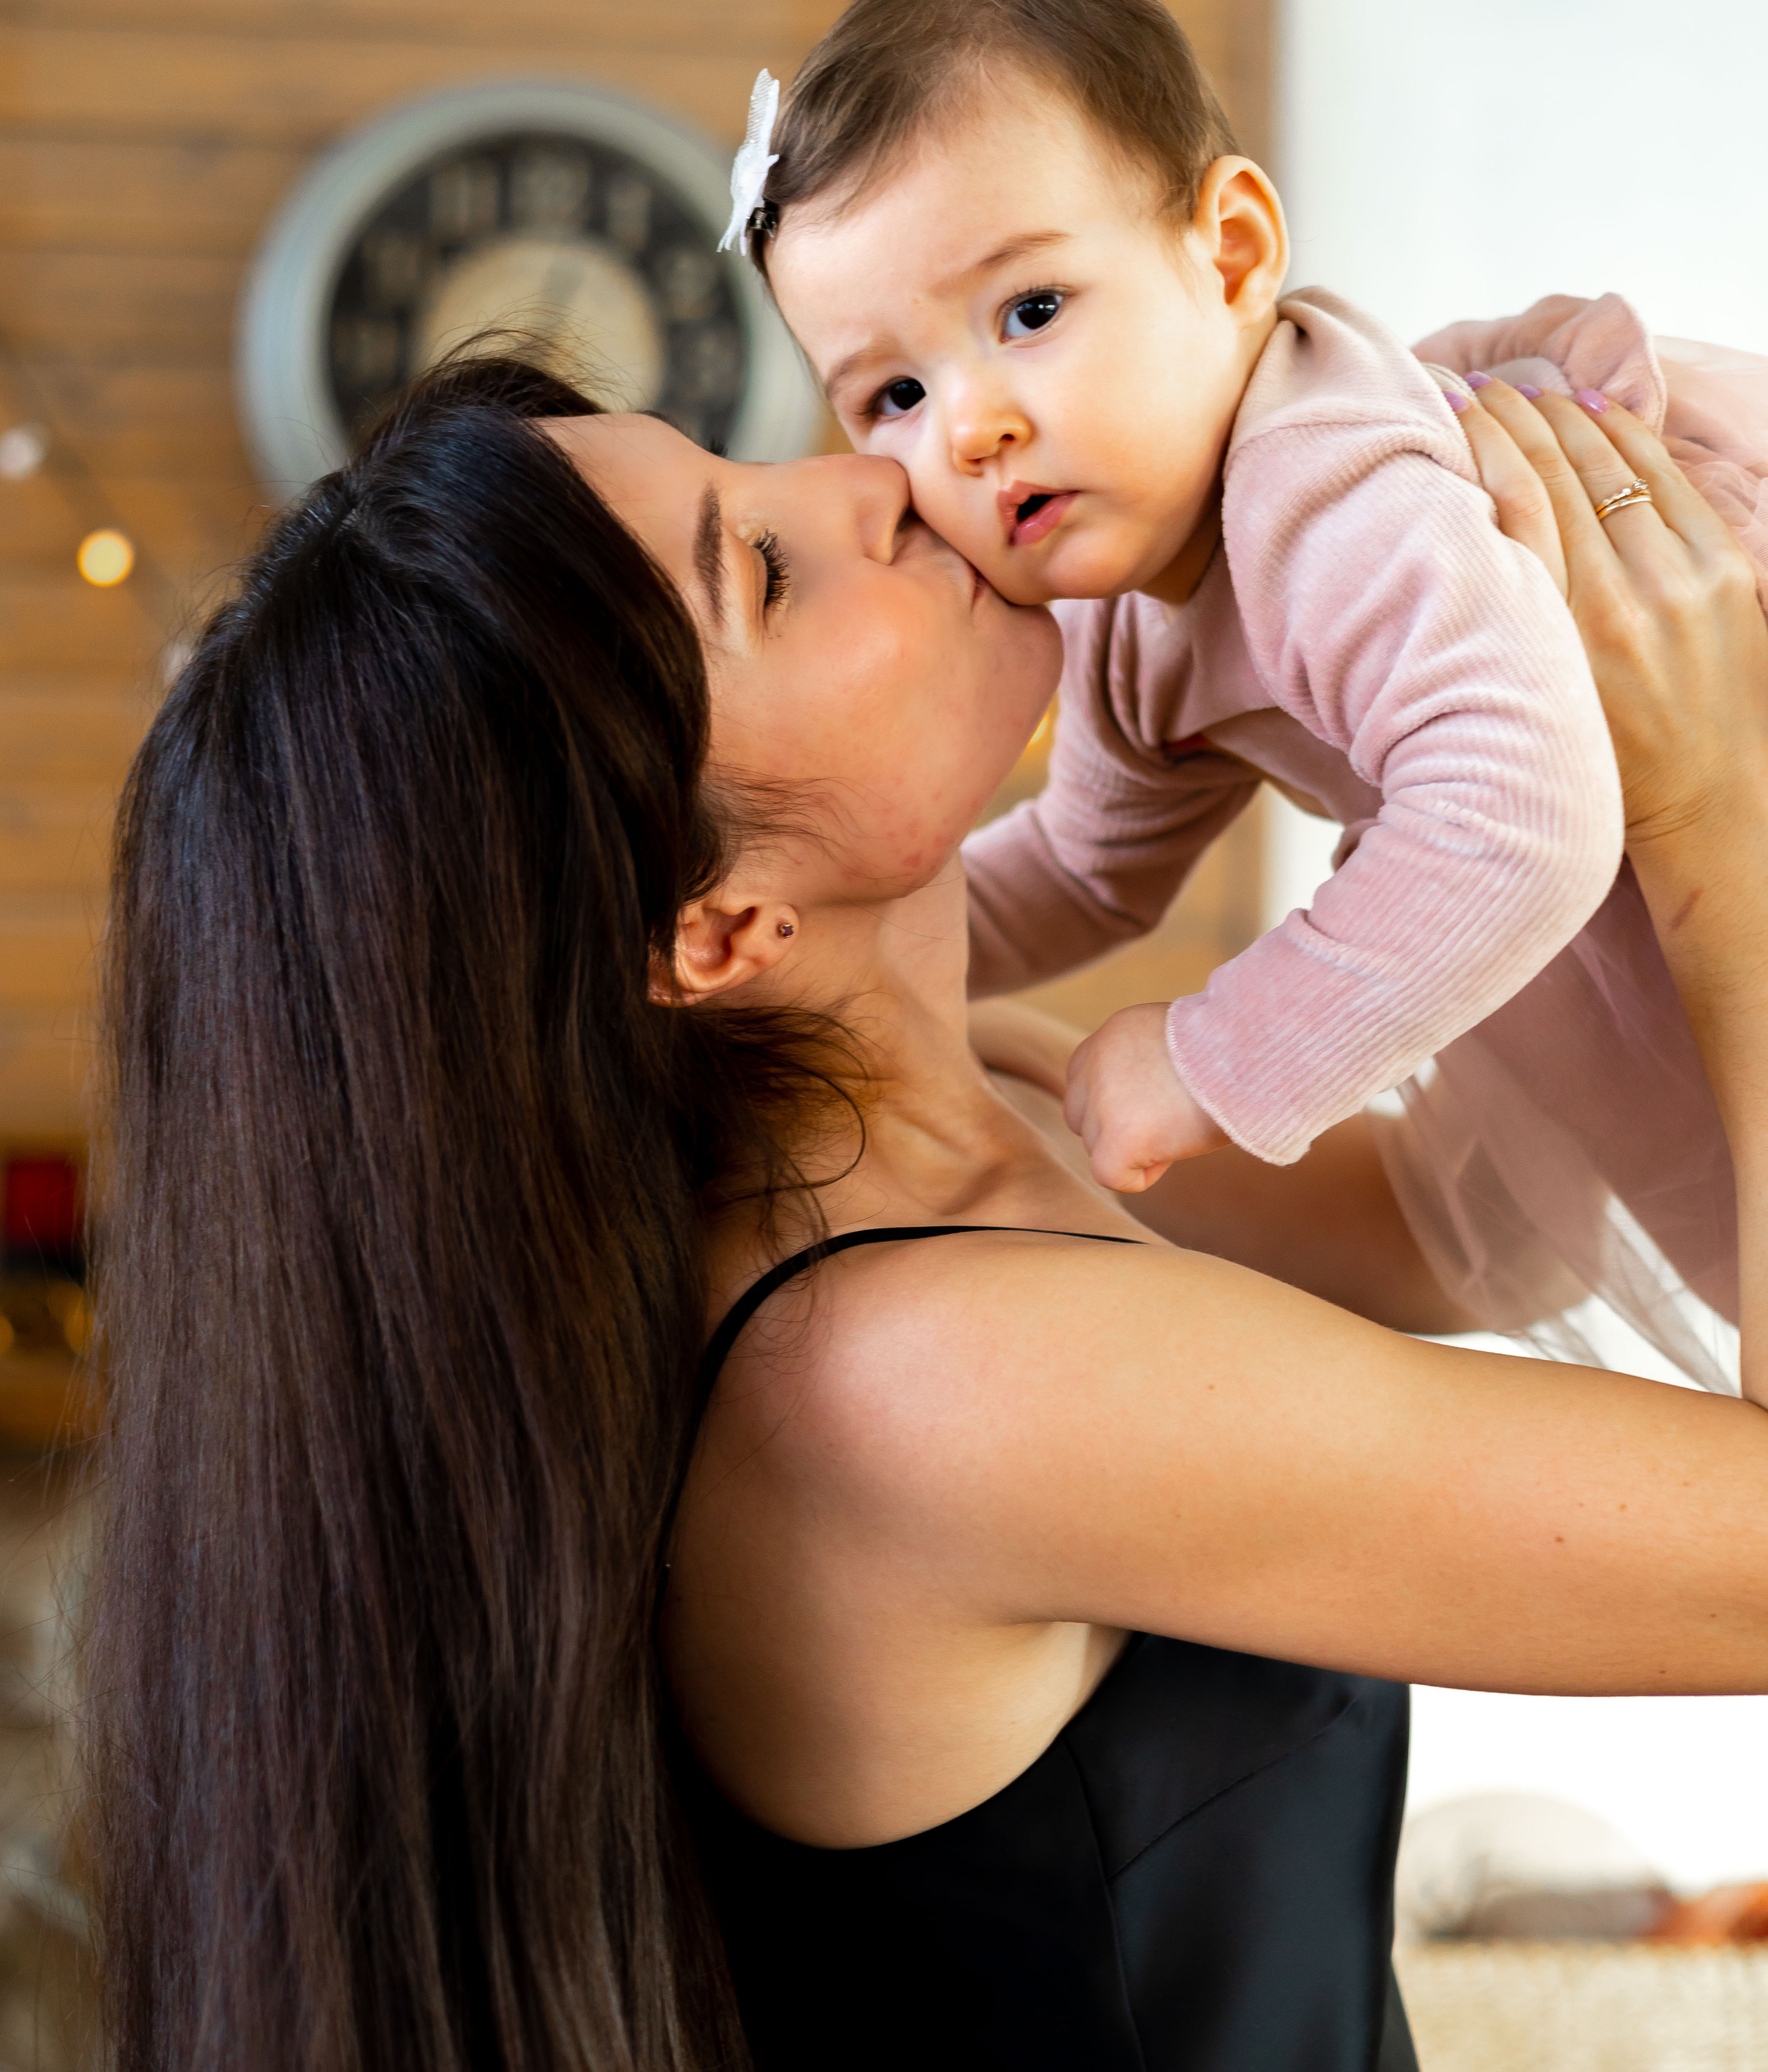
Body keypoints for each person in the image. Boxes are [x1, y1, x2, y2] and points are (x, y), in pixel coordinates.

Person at [83, 350, 1768, 2072]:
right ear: (709, 928)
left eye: (747, 463)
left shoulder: (988, 1118)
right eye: (762, 569)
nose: (868, 478)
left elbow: (1486, 1225)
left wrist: (1462, 727)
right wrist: (1716, 820)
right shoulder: (913, 1383)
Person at [742, 0, 1768, 1393]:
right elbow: (1091, 871)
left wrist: (1211, 1054)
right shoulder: (1121, 612)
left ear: (1227, 253)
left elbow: (1520, 820)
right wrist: (830, 956)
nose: (967, 428)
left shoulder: (1319, 482)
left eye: (1028, 312)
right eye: (892, 394)